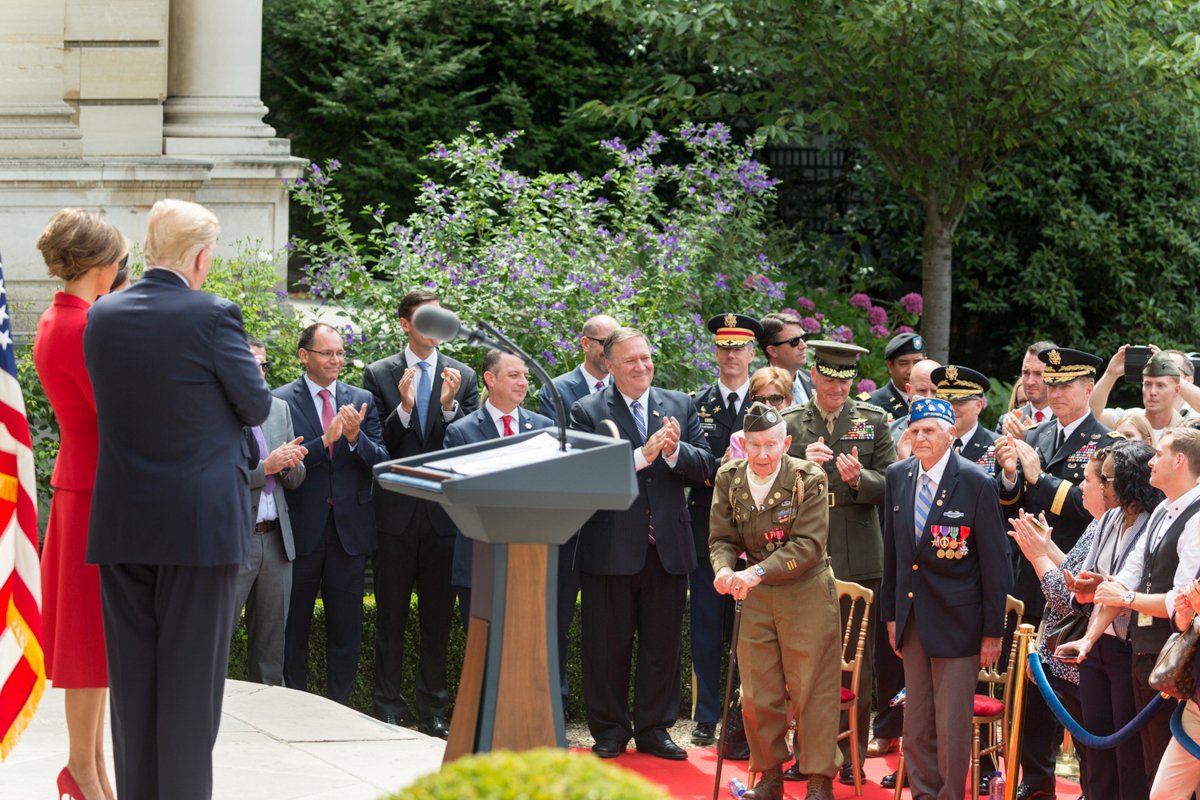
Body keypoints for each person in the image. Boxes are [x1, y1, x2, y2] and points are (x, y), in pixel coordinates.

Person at [84, 198, 272, 800]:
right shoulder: (214, 315)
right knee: (190, 693)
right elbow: (257, 405)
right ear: (198, 256)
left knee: (133, 690)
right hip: (198, 526)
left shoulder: (102, 314)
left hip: (122, 521)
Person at [569, 327, 716, 760]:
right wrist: (641, 456)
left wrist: (674, 453)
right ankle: (610, 730)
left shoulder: (680, 404)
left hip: (667, 548)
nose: (642, 366)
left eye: (647, 358)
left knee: (662, 646)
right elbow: (585, 472)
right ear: (609, 365)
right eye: (631, 360)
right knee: (606, 645)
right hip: (610, 548)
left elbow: (708, 464)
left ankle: (655, 729)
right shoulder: (587, 409)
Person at [995, 345, 1117, 799]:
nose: (1056, 391)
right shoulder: (1038, 433)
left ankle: (1088, 783)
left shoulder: (1105, 444)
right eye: (1052, 383)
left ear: (1089, 388)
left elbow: (1097, 512)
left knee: (1077, 693)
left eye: (1066, 384)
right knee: (1029, 686)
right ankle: (1036, 778)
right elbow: (1011, 502)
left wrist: (1039, 479)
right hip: (1029, 574)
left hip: (1076, 575)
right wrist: (1010, 476)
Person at [33, 208, 126, 800]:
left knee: (92, 642)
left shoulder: (64, 317)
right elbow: (117, 411)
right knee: (91, 643)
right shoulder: (82, 327)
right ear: (101, 265)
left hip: (84, 485)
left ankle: (90, 769)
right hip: (95, 489)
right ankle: (84, 772)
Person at [710, 402, 842, 800]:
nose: (763, 455)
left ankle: (819, 780)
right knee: (757, 691)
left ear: (786, 442)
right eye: (754, 445)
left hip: (806, 592)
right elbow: (722, 538)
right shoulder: (729, 478)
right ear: (742, 445)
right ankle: (769, 776)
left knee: (812, 691)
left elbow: (808, 545)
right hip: (755, 595)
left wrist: (754, 571)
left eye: (771, 444)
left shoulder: (809, 477)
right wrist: (722, 569)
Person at [881, 397, 1011, 800]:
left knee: (951, 723)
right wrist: (890, 615)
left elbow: (996, 564)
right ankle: (922, 794)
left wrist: (993, 631)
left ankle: (951, 795)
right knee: (916, 719)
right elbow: (895, 555)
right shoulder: (897, 476)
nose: (920, 437)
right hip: (913, 617)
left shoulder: (975, 482)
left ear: (951, 434)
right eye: (915, 430)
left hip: (959, 623)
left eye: (930, 431)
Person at [362, 289, 478, 736]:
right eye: (424, 320)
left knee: (437, 620)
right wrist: (405, 409)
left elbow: (469, 443)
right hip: (396, 516)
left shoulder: (463, 376)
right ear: (406, 325)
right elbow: (378, 444)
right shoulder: (379, 374)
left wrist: (448, 408)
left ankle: (433, 709)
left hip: (444, 517)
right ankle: (386, 704)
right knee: (389, 617)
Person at [781, 340, 897, 786]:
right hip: (804, 554)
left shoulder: (872, 421)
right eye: (830, 379)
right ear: (814, 375)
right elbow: (765, 477)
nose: (838, 388)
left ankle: (851, 758)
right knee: (802, 660)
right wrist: (795, 466)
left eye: (846, 381)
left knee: (858, 662)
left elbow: (891, 482)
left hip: (858, 555)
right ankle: (805, 756)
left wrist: (857, 480)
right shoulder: (791, 423)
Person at [1058, 427, 1200, 786]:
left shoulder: (1196, 517)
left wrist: (1124, 598)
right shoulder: (1162, 512)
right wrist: (1089, 639)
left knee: (1163, 771)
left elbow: (1180, 599)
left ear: (1180, 460)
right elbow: (1126, 578)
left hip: (1178, 660)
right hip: (1144, 653)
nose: (1152, 460)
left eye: (1160, 454)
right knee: (1148, 766)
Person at [277, 322, 388, 706]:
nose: (336, 360)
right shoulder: (280, 401)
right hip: (301, 527)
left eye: (340, 353)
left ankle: (339, 705)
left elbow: (382, 462)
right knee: (295, 625)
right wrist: (322, 441)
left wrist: (356, 438)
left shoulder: (361, 399)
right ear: (304, 355)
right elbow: (281, 460)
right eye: (327, 353)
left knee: (346, 626)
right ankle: (294, 703)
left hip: (349, 531)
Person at [1049, 441, 1160, 800]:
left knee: (1128, 751)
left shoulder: (1152, 520)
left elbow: (1125, 582)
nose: (1100, 486)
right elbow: (1096, 576)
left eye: (1107, 479)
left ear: (1128, 481)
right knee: (1096, 745)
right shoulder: (1109, 518)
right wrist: (1084, 586)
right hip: (1096, 645)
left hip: (1128, 647)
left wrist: (1100, 591)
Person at [1006, 446, 1115, 800]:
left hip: (1085, 657)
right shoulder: (1099, 523)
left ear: (1108, 487)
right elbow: (1072, 571)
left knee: (1094, 754)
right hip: (1064, 658)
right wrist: (1046, 547)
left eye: (1086, 480)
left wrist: (1038, 555)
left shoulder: (1110, 527)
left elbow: (1068, 598)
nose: (1080, 486)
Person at [687, 313, 760, 745]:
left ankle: (745, 713)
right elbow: (693, 464)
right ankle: (705, 714)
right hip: (707, 530)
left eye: (740, 347)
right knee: (707, 628)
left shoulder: (771, 399)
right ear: (715, 352)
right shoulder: (695, 404)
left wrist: (716, 470)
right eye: (724, 347)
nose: (732, 355)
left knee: (753, 632)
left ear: (752, 352)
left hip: (759, 536)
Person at [538, 313, 618, 709]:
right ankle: (556, 702)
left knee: (608, 625)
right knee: (557, 621)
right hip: (569, 524)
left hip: (615, 523)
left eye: (615, 341)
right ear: (584, 343)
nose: (609, 350)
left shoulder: (626, 387)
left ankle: (602, 705)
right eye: (603, 342)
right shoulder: (557, 389)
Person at [446, 350, 554, 625]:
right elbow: (454, 497)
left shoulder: (544, 428)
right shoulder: (462, 432)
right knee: (483, 657)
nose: (523, 383)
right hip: (479, 563)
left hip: (529, 561)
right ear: (489, 379)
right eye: (514, 375)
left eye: (526, 376)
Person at [235, 337, 308, 686]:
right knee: (215, 638)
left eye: (263, 365)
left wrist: (292, 465)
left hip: (277, 541)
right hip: (235, 540)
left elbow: (292, 479)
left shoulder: (278, 409)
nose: (259, 372)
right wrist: (265, 468)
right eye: (251, 364)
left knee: (271, 646)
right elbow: (214, 475)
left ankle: (268, 719)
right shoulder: (217, 410)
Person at [1090, 348, 1192, 441]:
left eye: (1160, 385)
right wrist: (1110, 374)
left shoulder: (1189, 427)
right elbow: (1090, 414)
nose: (1152, 392)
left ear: (1177, 389)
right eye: (1147, 384)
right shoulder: (1130, 418)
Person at [933, 365, 1000, 474]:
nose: (951, 409)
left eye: (959, 402)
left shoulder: (996, 446)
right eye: (945, 402)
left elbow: (1004, 489)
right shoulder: (929, 442)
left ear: (978, 406)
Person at [727, 366, 796, 459]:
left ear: (788, 401)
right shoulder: (740, 439)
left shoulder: (800, 435)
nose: (767, 405)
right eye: (759, 399)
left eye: (775, 399)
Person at [997, 341, 1057, 437]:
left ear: (1055, 376)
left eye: (1038, 374)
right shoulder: (1008, 422)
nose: (1029, 382)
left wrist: (1026, 440)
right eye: (1026, 373)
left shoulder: (1068, 420)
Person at [862, 332, 927, 420]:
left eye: (917, 362)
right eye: (903, 364)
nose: (911, 370)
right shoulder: (870, 405)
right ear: (890, 365)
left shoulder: (936, 400)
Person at [758, 311, 814, 406]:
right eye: (794, 341)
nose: (803, 345)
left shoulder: (814, 381)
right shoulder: (756, 389)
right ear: (772, 351)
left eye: (803, 338)